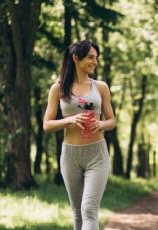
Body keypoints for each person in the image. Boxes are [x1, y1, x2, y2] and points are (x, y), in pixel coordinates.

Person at [43, 40, 115, 230]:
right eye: (91, 57)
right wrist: (70, 120)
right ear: (76, 58)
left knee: (89, 209)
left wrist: (100, 124)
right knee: (77, 213)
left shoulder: (101, 87)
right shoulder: (58, 89)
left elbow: (111, 121)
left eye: (96, 58)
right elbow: (47, 125)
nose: (95, 62)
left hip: (97, 154)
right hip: (70, 155)